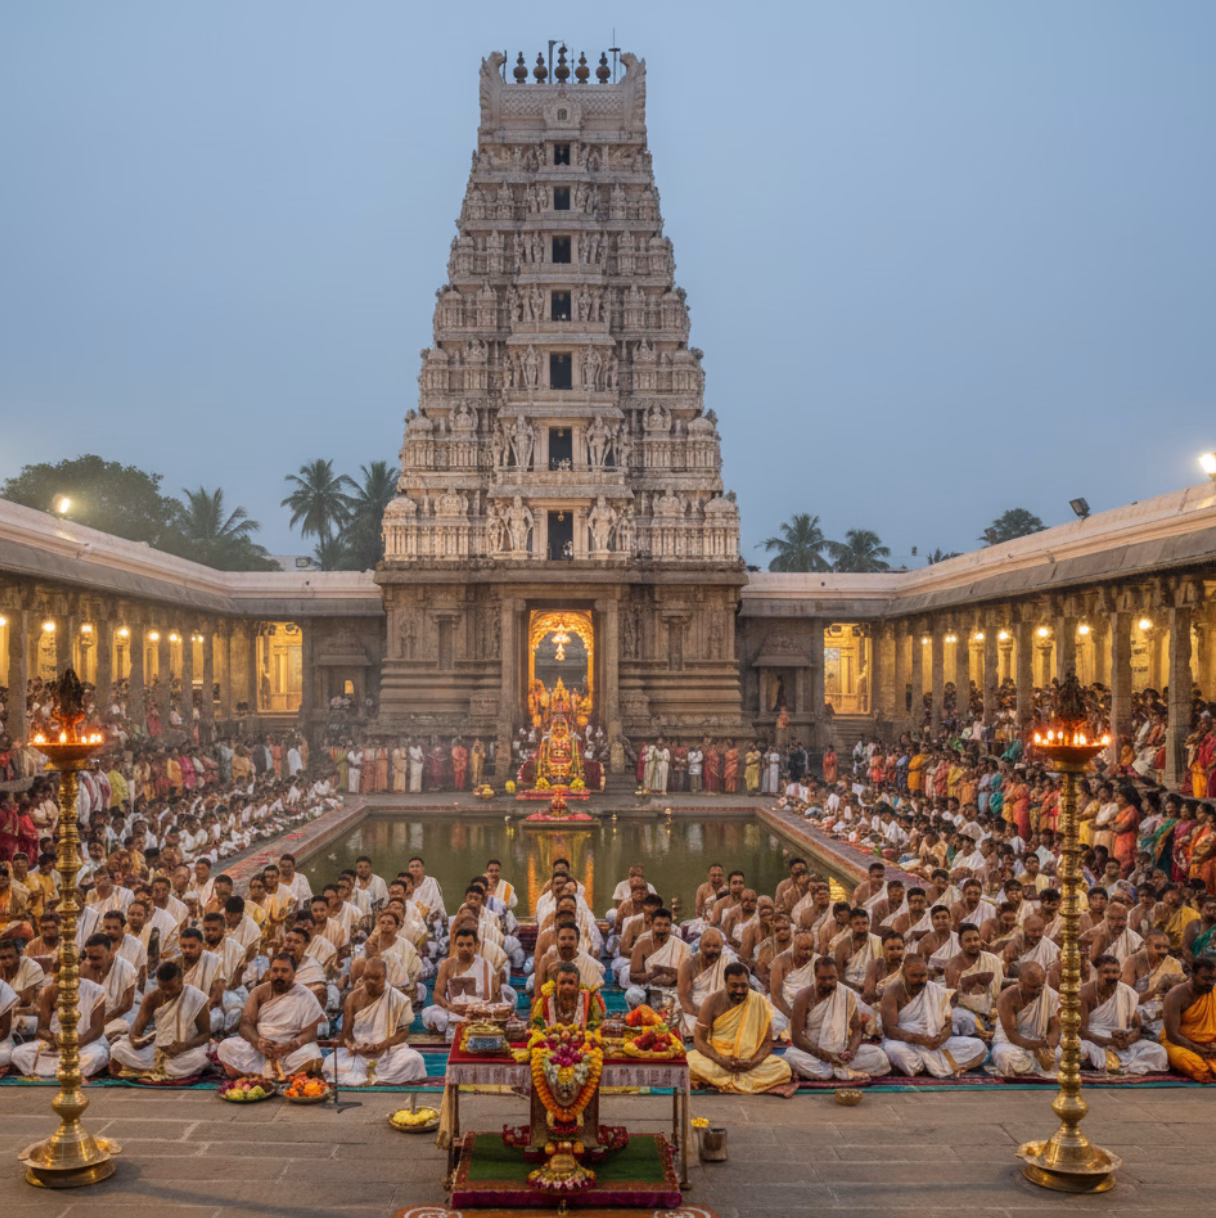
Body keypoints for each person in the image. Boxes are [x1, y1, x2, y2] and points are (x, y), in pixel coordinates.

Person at [687, 961, 795, 1095]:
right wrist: (720, 1059)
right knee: (688, 1063)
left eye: (744, 986)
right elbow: (699, 1040)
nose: (739, 991)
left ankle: (717, 1081)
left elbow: (767, 1044)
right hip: (718, 1059)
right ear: (725, 984)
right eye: (734, 986)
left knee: (782, 1068)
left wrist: (752, 1062)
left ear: (749, 983)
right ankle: (743, 1082)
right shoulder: (712, 1002)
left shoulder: (759, 1001)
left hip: (748, 1062)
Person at [216, 953, 325, 1079]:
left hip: (291, 1051)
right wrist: (258, 1042)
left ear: (294, 974)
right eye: (275, 970)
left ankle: (260, 1074)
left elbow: (311, 1033)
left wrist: (291, 1045)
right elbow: (245, 1025)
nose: (278, 974)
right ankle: (277, 1074)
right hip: (260, 1049)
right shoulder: (258, 992)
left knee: (312, 1055)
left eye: (284, 971)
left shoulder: (305, 995)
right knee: (226, 1047)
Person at [879, 954, 986, 1078]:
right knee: (895, 1051)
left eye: (923, 975)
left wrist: (940, 1039)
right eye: (914, 976)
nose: (920, 980)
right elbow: (889, 1029)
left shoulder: (935, 990)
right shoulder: (893, 991)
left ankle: (925, 1068)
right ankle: (935, 1066)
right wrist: (921, 1040)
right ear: (904, 974)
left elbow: (948, 1024)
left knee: (979, 1046)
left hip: (936, 1044)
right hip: (906, 1042)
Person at [785, 958, 891, 1083]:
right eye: (822, 978)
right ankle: (842, 1073)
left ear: (837, 976)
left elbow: (856, 1030)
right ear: (815, 976)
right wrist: (828, 1056)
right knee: (790, 1056)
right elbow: (797, 1038)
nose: (828, 982)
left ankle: (833, 1072)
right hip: (813, 1054)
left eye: (832, 978)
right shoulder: (803, 996)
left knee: (879, 1057)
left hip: (842, 1054)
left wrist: (850, 1052)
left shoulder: (846, 994)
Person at [324, 959, 424, 1086]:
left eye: (375, 978)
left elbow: (403, 1032)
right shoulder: (353, 998)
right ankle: (376, 1078)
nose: (370, 982)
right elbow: (346, 1034)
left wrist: (381, 1045)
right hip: (359, 1056)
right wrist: (352, 1046)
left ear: (385, 978)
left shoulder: (399, 999)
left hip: (388, 1054)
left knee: (414, 1060)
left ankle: (365, 1078)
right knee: (330, 1064)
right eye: (367, 977)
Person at [110, 961, 211, 1080]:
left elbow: (205, 1034)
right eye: (162, 988)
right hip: (157, 1050)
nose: (167, 992)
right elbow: (135, 1033)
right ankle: (162, 1069)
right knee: (118, 1049)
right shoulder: (152, 998)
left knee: (197, 1059)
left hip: (187, 1049)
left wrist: (184, 1046)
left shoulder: (196, 997)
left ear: (181, 981)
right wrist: (137, 1042)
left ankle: (149, 1069)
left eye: (171, 988)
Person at [11, 966, 110, 1078]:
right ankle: (65, 1073)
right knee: (18, 1053)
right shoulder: (49, 991)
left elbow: (97, 1030)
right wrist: (53, 1039)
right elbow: (42, 1029)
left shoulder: (95, 991)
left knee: (97, 1056)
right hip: (56, 1046)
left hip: (86, 1044)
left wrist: (76, 1045)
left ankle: (51, 1073)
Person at [1080, 954, 1168, 1075]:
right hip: (1095, 1041)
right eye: (1106, 972)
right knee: (1080, 1050)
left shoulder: (1126, 992)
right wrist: (1109, 1041)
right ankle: (1115, 1064)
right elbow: (1082, 1031)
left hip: (1122, 1042)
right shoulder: (1085, 993)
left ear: (1120, 975)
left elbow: (1137, 1026)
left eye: (1115, 972)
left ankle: (1117, 1066)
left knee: (1159, 1052)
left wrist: (1128, 1040)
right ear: (1097, 974)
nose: (1111, 976)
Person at [421, 926, 500, 1038]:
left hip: (481, 1011)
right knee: (430, 1013)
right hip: (454, 1010)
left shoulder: (486, 965)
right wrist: (449, 1006)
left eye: (469, 945)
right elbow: (437, 995)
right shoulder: (446, 965)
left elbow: (495, 997)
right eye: (461, 945)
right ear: (454, 945)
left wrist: (479, 1009)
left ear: (476, 946)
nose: (465, 949)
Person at [991, 963, 1062, 1077]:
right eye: (1033, 987)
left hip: (1040, 1043)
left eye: (1041, 986)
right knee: (1005, 1056)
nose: (1038, 990)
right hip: (1012, 1044)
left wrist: (1050, 1046)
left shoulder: (1049, 994)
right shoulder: (1007, 997)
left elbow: (1055, 1026)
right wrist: (1035, 1046)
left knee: (1069, 1052)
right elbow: (1012, 1035)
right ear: (1020, 982)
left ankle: (1032, 1067)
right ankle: (1035, 1066)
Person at [1161, 956, 1216, 1082]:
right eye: (1205, 978)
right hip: (1180, 1044)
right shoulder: (1176, 995)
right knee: (1196, 1066)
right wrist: (1198, 1049)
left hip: (1210, 1045)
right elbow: (1172, 1035)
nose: (1210, 983)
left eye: (1213, 979)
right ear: (1193, 974)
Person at [677, 928, 730, 1037]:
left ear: (721, 947)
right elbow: (683, 997)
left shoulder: (727, 962)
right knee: (693, 1028)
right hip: (696, 1009)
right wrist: (701, 1014)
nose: (711, 949)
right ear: (701, 946)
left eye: (715, 946)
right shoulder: (689, 964)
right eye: (708, 946)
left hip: (722, 1009)